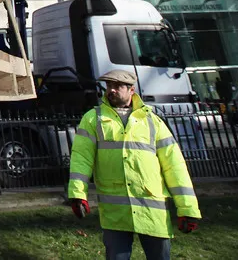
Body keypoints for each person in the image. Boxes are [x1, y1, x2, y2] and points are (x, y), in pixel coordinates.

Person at [68, 69, 201, 260]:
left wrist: (188, 209)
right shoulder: (92, 119)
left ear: (132, 89)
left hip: (151, 210)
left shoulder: (152, 121)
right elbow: (81, 159)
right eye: (109, 86)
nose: (111, 90)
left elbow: (174, 166)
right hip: (116, 213)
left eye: (117, 86)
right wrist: (77, 194)